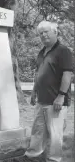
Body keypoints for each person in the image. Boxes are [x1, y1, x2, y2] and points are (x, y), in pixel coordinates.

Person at [24, 21, 74, 162]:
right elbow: (38, 73)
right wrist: (34, 92)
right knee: (38, 131)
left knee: (55, 134)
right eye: (41, 33)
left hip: (56, 101)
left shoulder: (63, 51)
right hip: (41, 100)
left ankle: (53, 159)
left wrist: (61, 96)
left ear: (55, 32)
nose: (43, 35)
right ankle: (32, 156)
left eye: (46, 31)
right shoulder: (41, 52)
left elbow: (67, 75)